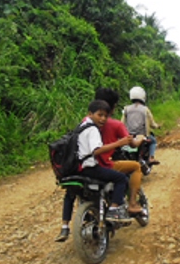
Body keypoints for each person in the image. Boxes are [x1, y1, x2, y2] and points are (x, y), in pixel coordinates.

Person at [54, 99, 134, 242]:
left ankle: (65, 226)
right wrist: (119, 143)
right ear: (90, 114)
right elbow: (96, 150)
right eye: (99, 115)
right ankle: (114, 209)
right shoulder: (93, 130)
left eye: (105, 116)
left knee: (70, 193)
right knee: (121, 179)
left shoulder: (81, 127)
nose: (103, 119)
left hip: (76, 170)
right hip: (90, 168)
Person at [122, 86, 160, 166]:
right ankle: (151, 158)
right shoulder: (145, 109)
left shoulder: (126, 109)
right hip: (142, 135)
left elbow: (122, 123)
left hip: (129, 136)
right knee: (153, 141)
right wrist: (157, 126)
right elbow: (152, 123)